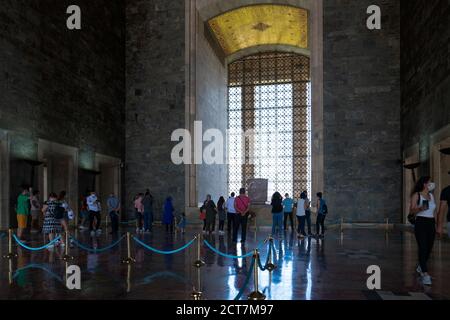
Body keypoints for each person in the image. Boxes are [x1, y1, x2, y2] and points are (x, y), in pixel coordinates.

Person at [410, 176, 437, 286]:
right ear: (425, 184)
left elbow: (434, 210)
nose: (432, 184)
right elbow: (411, 211)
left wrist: (436, 224)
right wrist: (420, 208)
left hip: (431, 223)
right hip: (421, 222)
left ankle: (421, 266)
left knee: (429, 248)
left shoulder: (431, 196)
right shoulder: (416, 195)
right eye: (430, 182)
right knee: (423, 247)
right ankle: (425, 273)